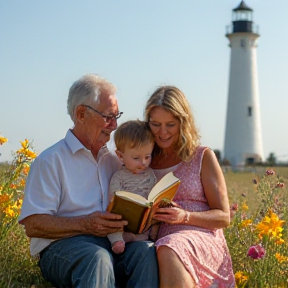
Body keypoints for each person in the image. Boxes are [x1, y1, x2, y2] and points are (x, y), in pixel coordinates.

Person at [18, 74, 159, 288]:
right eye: (108, 117)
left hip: (113, 244)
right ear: (81, 113)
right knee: (97, 258)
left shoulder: (116, 159)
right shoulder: (50, 161)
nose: (114, 125)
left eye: (117, 116)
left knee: (145, 252)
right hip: (64, 248)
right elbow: (33, 225)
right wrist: (86, 224)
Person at [144, 86, 236, 288]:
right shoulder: (143, 158)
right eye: (155, 124)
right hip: (156, 235)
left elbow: (223, 217)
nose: (162, 132)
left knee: (171, 248)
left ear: (183, 123)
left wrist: (185, 216)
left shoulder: (202, 156)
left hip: (199, 235)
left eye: (170, 124)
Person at [107, 120, 158, 254]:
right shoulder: (119, 177)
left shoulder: (150, 174)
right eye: (136, 158)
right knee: (112, 223)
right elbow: (113, 200)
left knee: (154, 222)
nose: (143, 163)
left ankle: (149, 235)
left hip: (144, 223)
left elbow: (156, 194)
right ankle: (118, 241)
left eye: (148, 156)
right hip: (123, 222)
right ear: (120, 155)